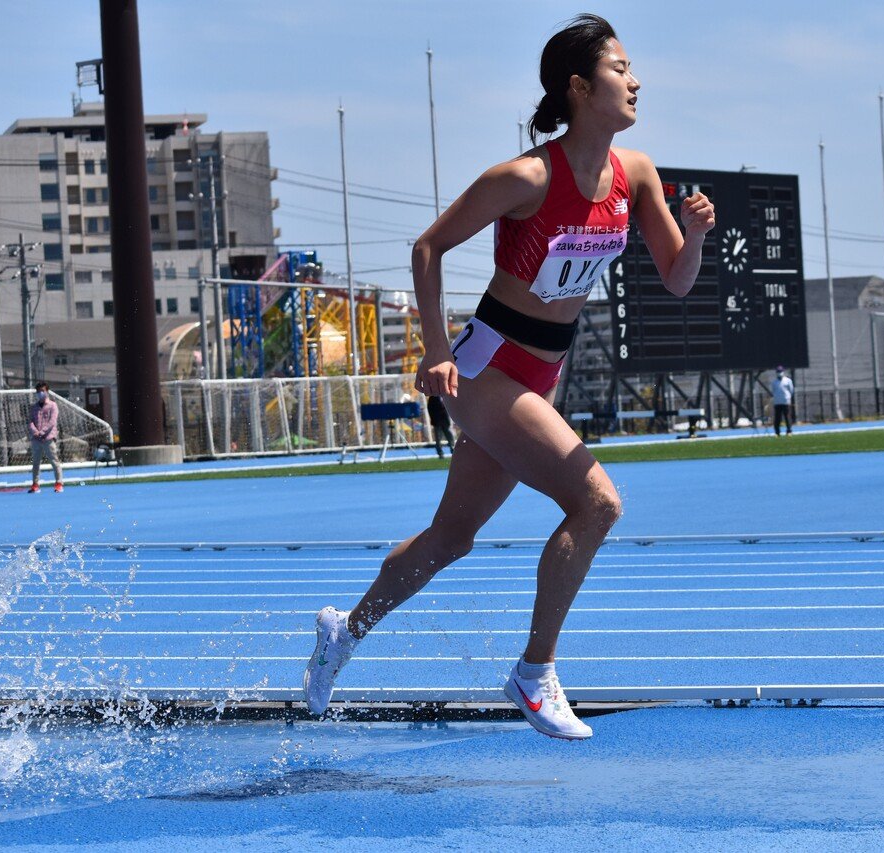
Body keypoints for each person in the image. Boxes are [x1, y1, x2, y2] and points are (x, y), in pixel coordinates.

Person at [303, 14, 714, 739]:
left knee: (452, 535)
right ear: (580, 87)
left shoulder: (637, 174)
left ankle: (343, 630)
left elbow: (679, 281)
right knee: (597, 504)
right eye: (621, 69)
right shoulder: (527, 177)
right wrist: (433, 351)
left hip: (541, 372)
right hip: (490, 365)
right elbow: (427, 248)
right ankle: (535, 671)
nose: (637, 79)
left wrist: (700, 236)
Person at [27, 381, 63, 493]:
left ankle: (59, 483)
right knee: (36, 463)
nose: (40, 393)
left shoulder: (53, 405)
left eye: (42, 391)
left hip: (48, 438)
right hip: (36, 439)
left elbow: (52, 421)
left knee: (54, 461)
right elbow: (30, 421)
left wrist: (42, 432)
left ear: (47, 391)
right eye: (38, 391)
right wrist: (35, 432)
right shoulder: (34, 407)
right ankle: (35, 484)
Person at [771, 365, 794, 436]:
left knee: (787, 417)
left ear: (783, 372)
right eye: (778, 371)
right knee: (777, 418)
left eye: (780, 371)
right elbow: (773, 391)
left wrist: (788, 397)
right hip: (777, 402)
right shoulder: (774, 382)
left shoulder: (788, 380)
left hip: (786, 402)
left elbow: (791, 390)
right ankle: (777, 432)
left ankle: (789, 431)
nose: (779, 373)